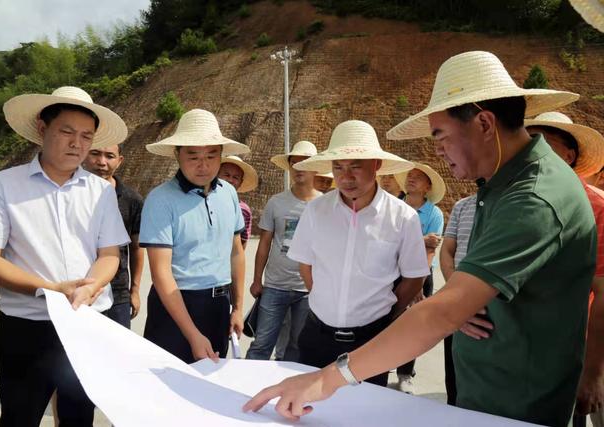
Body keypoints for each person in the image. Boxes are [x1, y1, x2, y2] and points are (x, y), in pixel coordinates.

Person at [243, 51, 592, 427]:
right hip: (490, 388)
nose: (437, 150)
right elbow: (464, 295)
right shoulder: (502, 185)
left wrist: (325, 379)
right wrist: (463, 301)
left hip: (516, 402)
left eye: (440, 135)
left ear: (484, 122)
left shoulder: (532, 198)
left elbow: (438, 310)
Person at [0, 86, 130, 427]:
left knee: (78, 418)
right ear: (43, 128)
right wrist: (49, 288)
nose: (77, 143)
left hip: (87, 324)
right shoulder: (3, 185)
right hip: (26, 328)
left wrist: (91, 286)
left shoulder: (100, 191)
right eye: (66, 131)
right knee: (19, 417)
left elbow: (110, 254)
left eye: (86, 136)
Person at [269, 120, 429, 387]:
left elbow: (414, 278)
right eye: (338, 167)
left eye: (356, 166)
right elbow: (306, 266)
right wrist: (325, 300)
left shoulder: (403, 217)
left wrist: (385, 313)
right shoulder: (316, 211)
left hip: (371, 343)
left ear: (376, 165)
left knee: (361, 414)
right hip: (316, 333)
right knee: (309, 410)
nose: (346, 177)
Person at [140, 109, 248, 363]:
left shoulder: (229, 193)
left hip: (219, 306)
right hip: (176, 307)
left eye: (211, 155)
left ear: (222, 155)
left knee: (211, 389)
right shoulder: (160, 199)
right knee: (167, 391)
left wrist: (238, 308)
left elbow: (236, 252)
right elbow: (161, 273)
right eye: (193, 156)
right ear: (177, 154)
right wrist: (192, 334)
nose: (203, 165)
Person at [524, 112, 604, 427]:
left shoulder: (594, 208)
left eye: (543, 142)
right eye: (527, 142)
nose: (532, 151)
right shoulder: (517, 203)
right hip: (528, 349)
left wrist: (594, 372)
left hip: (584, 346)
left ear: (570, 155)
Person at [246, 141, 322, 361]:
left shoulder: (324, 204)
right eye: (294, 163)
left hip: (307, 289)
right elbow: (264, 244)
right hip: (274, 286)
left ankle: (288, 391)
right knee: (261, 343)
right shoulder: (276, 203)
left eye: (304, 163)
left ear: (315, 167)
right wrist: (256, 279)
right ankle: (246, 388)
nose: (298, 168)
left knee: (298, 346)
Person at [393, 162, 446, 393]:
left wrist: (418, 285)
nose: (410, 179)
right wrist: (421, 240)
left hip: (422, 273)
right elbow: (385, 241)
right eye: (409, 176)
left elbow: (431, 249)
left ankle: (405, 373)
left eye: (417, 177)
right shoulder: (394, 207)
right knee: (384, 320)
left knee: (414, 324)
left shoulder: (434, 213)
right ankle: (376, 368)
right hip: (392, 272)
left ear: (427, 187)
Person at [83, 144, 144, 328]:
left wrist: (134, 290)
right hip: (79, 289)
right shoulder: (71, 194)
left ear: (120, 161)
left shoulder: (132, 199)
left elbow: (136, 248)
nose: (102, 162)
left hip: (118, 294)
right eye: (95, 153)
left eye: (109, 156)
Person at [438, 193, 477, 405]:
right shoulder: (462, 205)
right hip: (457, 302)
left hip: (490, 308)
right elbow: (447, 250)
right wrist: (458, 294)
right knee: (453, 378)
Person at [218, 155, 259, 249]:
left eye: (236, 177)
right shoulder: (203, 202)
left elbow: (242, 242)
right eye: (226, 175)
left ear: (241, 182)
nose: (230, 180)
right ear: (216, 175)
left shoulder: (243, 210)